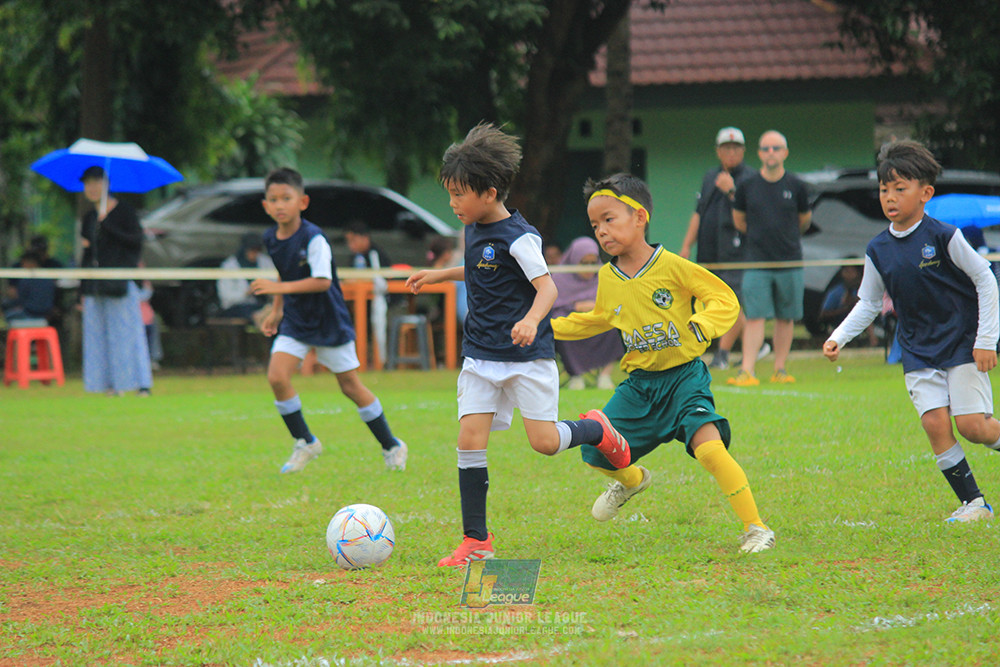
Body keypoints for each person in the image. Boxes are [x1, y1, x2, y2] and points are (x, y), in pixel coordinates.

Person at [405, 123, 632, 567]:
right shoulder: (472, 228)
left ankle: (597, 429)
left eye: (458, 194)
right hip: (480, 356)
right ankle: (476, 539)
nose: (452, 204)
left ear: (489, 193)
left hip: (527, 358)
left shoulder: (520, 237)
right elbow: (479, 269)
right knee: (469, 439)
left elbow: (545, 288)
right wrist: (438, 274)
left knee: (544, 443)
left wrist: (530, 320)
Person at [551, 172, 776, 553]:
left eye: (609, 219)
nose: (601, 232)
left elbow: (724, 300)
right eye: (595, 225)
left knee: (709, 448)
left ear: (640, 217)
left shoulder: (673, 266)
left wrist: (702, 324)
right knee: (595, 451)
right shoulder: (607, 277)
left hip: (684, 379)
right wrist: (545, 328)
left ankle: (756, 528)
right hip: (639, 387)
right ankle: (633, 480)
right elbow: (599, 319)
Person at [824, 139, 1000, 523]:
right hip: (918, 349)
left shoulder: (943, 236)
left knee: (974, 427)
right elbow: (869, 302)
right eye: (884, 189)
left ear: (925, 194)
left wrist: (986, 340)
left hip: (962, 343)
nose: (890, 197)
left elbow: (985, 279)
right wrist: (839, 335)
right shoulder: (878, 249)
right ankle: (974, 504)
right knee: (934, 423)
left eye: (900, 189)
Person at [248, 168, 407, 474]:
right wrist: (277, 309)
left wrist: (278, 290)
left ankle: (392, 444)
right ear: (266, 206)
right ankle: (305, 441)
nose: (280, 205)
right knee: (277, 377)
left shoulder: (314, 238)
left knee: (350, 386)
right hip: (296, 320)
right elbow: (285, 270)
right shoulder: (271, 237)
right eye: (273, 199)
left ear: (303, 202)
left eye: (286, 198)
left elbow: (321, 281)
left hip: (328, 321)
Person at [679, 127, 768, 370]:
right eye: (726, 148)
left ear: (743, 151)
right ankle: (756, 346)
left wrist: (731, 191)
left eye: (736, 147)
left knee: (732, 303)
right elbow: (698, 213)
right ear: (718, 151)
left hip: (738, 254)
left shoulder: (751, 177)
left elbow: (755, 217)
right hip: (710, 253)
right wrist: (687, 246)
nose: (731, 152)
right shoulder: (710, 176)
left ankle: (723, 353)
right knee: (712, 302)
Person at [729, 130, 811, 386]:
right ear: (759, 153)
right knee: (754, 316)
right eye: (766, 149)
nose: (771, 153)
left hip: (789, 260)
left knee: (785, 317)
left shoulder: (797, 186)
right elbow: (739, 221)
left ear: (785, 152)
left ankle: (780, 369)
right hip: (755, 261)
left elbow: (804, 221)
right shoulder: (747, 186)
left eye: (776, 148)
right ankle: (747, 370)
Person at [78, 166, 153, 396]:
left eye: (96, 182)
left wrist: (108, 225)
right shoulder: (89, 218)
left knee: (127, 334)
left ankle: (139, 384)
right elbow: (87, 255)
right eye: (87, 183)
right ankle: (107, 384)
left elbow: (135, 242)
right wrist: (81, 291)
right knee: (98, 337)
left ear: (107, 184)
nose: (92, 188)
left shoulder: (125, 212)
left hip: (120, 284)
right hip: (95, 286)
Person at [551, 236, 622, 390]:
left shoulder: (604, 278)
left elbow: (614, 305)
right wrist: (574, 307)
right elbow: (553, 308)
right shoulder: (558, 280)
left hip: (596, 326)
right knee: (563, 329)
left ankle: (605, 375)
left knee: (617, 326)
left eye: (593, 263)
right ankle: (575, 375)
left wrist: (595, 306)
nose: (589, 268)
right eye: (583, 263)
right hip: (573, 326)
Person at [217, 232, 275, 325]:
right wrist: (247, 292)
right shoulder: (229, 266)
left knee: (273, 311)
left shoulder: (265, 262)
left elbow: (275, 283)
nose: (255, 253)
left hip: (262, 304)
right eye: (252, 250)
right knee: (253, 313)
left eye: (258, 250)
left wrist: (266, 289)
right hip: (237, 306)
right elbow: (225, 296)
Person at [818, 262, 877, 345]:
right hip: (839, 324)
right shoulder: (836, 292)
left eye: (852, 271)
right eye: (846, 271)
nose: (849, 275)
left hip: (860, 324)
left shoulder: (864, 290)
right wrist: (844, 309)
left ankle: (873, 341)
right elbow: (823, 314)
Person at [2, 250, 56, 323]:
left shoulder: (26, 279)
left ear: (30, 263)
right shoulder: (48, 278)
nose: (22, 266)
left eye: (23, 263)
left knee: (7, 314)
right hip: (46, 314)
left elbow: (20, 300)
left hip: (29, 313)